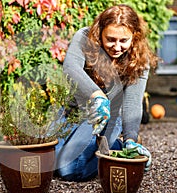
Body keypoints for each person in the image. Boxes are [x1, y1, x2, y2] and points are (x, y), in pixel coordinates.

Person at [55, 4, 158, 182]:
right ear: (99, 33)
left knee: (69, 169)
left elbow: (132, 103)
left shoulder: (139, 59)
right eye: (110, 39)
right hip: (71, 113)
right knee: (49, 164)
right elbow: (70, 68)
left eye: (124, 40)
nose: (117, 47)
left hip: (106, 117)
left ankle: (118, 147)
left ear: (134, 36)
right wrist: (97, 95)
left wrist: (131, 140)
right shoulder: (84, 38)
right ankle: (111, 148)